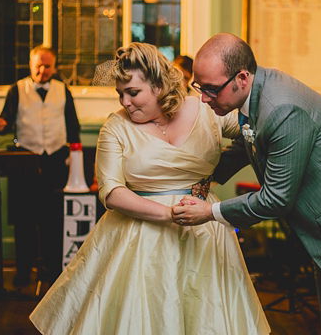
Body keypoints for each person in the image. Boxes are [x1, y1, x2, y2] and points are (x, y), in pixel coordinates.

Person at [172, 33, 321, 334]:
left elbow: (276, 199)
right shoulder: (255, 92)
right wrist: (201, 178)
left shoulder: (282, 108)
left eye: (210, 89)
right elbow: (247, 145)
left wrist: (210, 212)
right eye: (199, 87)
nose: (204, 98)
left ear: (242, 77)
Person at [29, 42, 270, 335]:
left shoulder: (206, 109)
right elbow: (111, 191)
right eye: (120, 94)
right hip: (141, 237)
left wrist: (215, 178)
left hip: (205, 233)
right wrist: (170, 214)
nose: (125, 102)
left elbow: (255, 132)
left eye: (132, 93)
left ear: (159, 86)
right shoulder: (116, 127)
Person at [0, 45, 81, 287]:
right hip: (25, 160)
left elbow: (73, 125)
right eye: (38, 66)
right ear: (31, 66)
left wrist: (74, 156)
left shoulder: (64, 90)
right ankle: (23, 271)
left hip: (55, 160)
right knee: (24, 219)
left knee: (52, 219)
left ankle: (52, 271)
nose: (43, 70)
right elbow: (5, 119)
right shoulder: (17, 89)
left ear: (55, 67)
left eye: (48, 66)